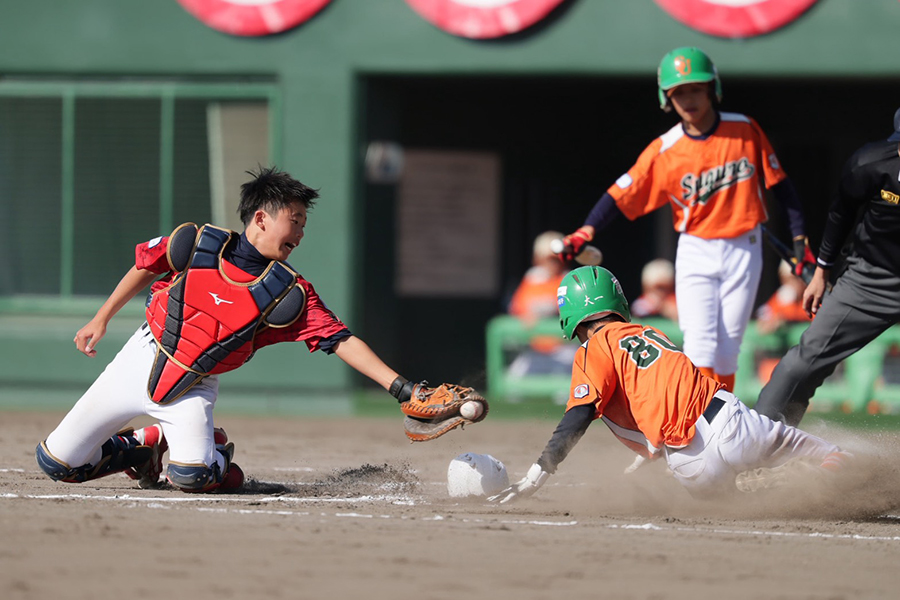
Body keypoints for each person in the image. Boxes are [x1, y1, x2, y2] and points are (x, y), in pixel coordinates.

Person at [35, 167, 444, 492]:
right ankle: (144, 447)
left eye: (304, 223)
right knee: (59, 464)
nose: (301, 233)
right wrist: (101, 317)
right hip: (136, 359)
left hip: (193, 385)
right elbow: (146, 263)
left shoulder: (287, 293)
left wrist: (403, 389)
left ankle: (211, 452)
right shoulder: (196, 243)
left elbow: (340, 339)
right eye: (295, 221)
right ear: (261, 218)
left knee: (194, 477)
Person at [557, 47, 812, 394]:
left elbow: (781, 187)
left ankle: (723, 419)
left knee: (729, 348)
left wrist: (800, 241)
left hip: (743, 245)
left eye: (695, 88)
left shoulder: (744, 130)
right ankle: (697, 419)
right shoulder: (666, 147)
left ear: (712, 89)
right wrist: (586, 229)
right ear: (667, 98)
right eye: (679, 92)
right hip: (696, 247)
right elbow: (621, 192)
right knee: (699, 343)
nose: (688, 99)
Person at [490, 266, 850, 503]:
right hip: (731, 424)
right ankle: (822, 481)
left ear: (569, 316)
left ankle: (770, 491)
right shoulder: (651, 332)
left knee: (748, 507)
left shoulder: (591, 349)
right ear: (618, 302)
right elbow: (674, 389)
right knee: (837, 459)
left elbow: (580, 415)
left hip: (689, 464)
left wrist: (536, 476)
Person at [754, 109, 900, 426]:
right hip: (872, 278)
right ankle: (759, 441)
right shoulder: (870, 163)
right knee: (804, 361)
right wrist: (822, 272)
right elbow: (841, 214)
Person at [506, 231, 577, 378]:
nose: (554, 263)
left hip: (564, 350)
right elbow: (517, 308)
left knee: (566, 393)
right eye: (549, 258)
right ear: (537, 258)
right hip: (535, 349)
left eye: (557, 258)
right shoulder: (532, 279)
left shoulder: (570, 280)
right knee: (514, 383)